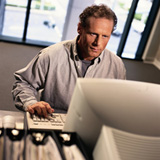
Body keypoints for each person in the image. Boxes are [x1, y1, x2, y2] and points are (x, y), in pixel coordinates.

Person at [12, 4, 126, 117]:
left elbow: (119, 100)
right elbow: (23, 83)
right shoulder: (51, 55)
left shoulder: (116, 65)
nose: (98, 43)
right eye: (93, 34)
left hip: (93, 124)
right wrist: (32, 103)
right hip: (53, 121)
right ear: (80, 28)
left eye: (105, 36)